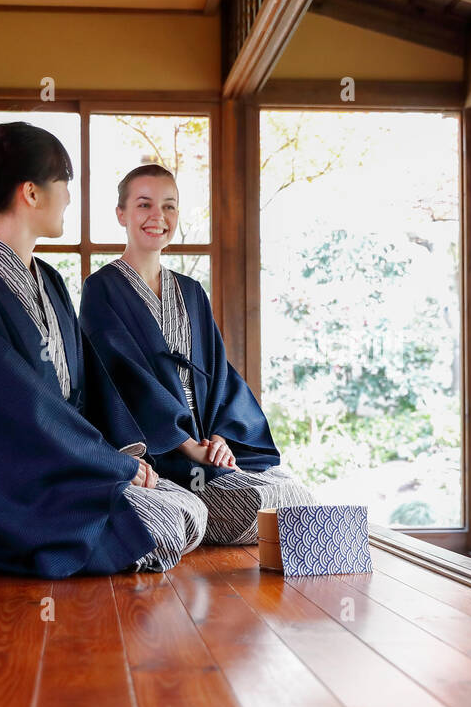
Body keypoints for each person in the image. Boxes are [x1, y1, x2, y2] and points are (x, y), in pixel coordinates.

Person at [0, 124, 206, 578]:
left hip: (64, 465)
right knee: (167, 521)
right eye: (64, 184)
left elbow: (85, 385)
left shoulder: (48, 280)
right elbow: (17, 409)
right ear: (31, 193)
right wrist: (109, 466)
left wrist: (122, 458)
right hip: (11, 484)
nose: (69, 197)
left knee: (187, 508)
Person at [79, 163, 317, 545]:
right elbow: (120, 379)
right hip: (159, 448)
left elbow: (221, 376)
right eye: (144, 205)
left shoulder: (191, 291)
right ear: (121, 214)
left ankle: (216, 481)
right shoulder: (101, 288)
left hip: (205, 441)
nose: (158, 216)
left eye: (169, 206)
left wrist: (221, 439)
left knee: (291, 494)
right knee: (249, 504)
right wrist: (186, 446)